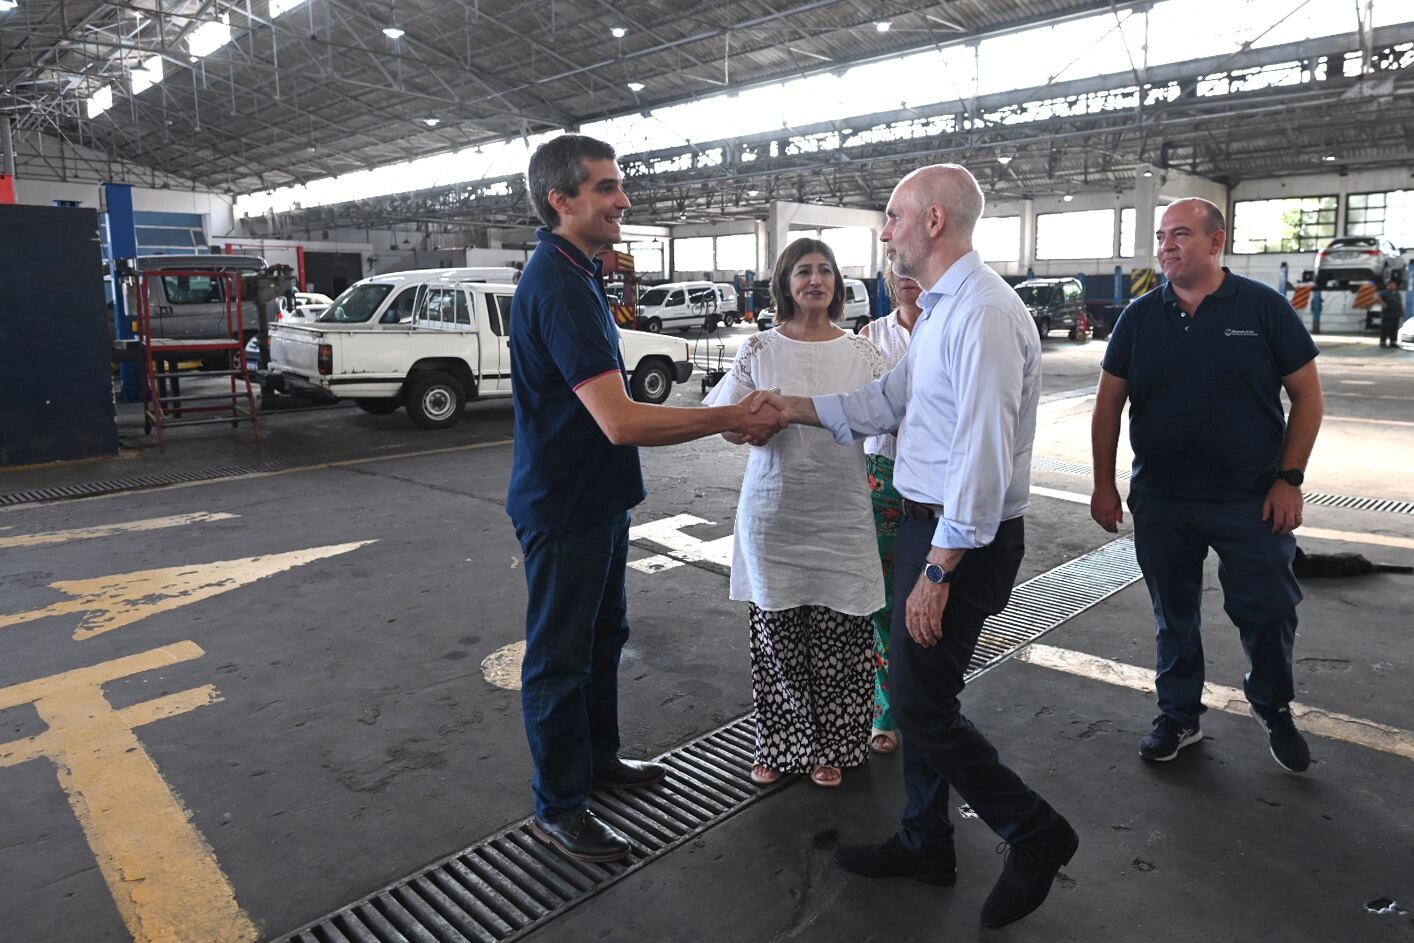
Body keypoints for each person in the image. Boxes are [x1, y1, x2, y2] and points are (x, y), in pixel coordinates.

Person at [751, 165, 1078, 930]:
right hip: (930, 523)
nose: (886, 231)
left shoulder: (986, 315)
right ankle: (926, 840)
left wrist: (938, 568)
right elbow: (888, 401)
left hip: (962, 539)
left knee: (922, 702)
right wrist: (790, 407)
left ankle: (1034, 830)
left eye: (893, 216)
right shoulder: (939, 311)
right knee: (922, 691)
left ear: (934, 221)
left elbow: (983, 455)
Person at [508, 133, 787, 863]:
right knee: (559, 659)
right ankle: (560, 805)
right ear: (560, 200)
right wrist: (732, 414)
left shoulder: (581, 271)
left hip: (596, 500)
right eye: (605, 188)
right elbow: (620, 417)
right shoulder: (561, 284)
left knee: (602, 641)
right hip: (565, 506)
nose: (623, 199)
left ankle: (596, 762)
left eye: (619, 184)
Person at [1089, 197, 1324, 774]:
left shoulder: (1264, 309)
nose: (1166, 245)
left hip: (1252, 500)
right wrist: (1103, 484)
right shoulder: (1140, 317)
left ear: (1217, 243)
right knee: (1175, 613)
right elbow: (1107, 408)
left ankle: (1272, 705)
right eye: (1163, 235)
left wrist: (1289, 479)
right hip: (1164, 500)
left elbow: (1309, 398)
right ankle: (1178, 715)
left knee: (1269, 609)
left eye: (1181, 235)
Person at [704, 237, 887, 789]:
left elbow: (893, 415)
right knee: (777, 637)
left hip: (842, 515)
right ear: (785, 283)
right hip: (773, 515)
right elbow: (722, 418)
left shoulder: (863, 354)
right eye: (803, 271)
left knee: (842, 636)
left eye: (824, 271)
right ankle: (782, 745)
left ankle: (833, 745)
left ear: (837, 283)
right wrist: (744, 425)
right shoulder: (759, 350)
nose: (815, 280)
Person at [857, 266, 922, 755]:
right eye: (896, 269)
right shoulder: (870, 337)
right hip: (881, 480)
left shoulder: (952, 326)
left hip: (935, 487)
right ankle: (886, 706)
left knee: (928, 599)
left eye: (913, 267)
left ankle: (928, 701)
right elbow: (861, 408)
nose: (906, 276)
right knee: (883, 603)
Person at [1377, 277, 1403, 349]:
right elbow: (1377, 297)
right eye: (1391, 285)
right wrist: (1383, 304)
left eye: (1394, 285)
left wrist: (1402, 311)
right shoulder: (1385, 292)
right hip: (1387, 314)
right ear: (1389, 285)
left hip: (1396, 314)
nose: (1393, 286)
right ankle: (1383, 342)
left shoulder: (1398, 294)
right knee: (1386, 328)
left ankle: (1393, 342)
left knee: (1394, 329)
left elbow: (1400, 303)